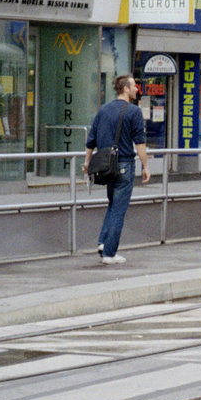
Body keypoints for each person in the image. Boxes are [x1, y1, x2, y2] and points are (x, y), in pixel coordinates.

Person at [83, 75, 149, 265]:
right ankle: (110, 254)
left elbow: (91, 140)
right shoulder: (134, 112)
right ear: (126, 89)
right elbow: (140, 144)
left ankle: (104, 243)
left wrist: (87, 163)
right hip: (124, 165)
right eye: (134, 86)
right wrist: (145, 166)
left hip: (106, 166)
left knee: (113, 204)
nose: (137, 89)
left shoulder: (103, 110)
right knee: (119, 209)